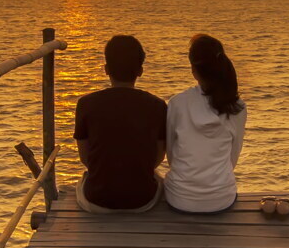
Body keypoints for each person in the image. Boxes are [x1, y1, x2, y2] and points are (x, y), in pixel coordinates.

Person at [73, 35, 168, 213]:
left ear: (106, 69)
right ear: (140, 70)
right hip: (142, 201)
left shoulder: (86, 104)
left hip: (97, 200)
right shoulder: (157, 106)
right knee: (160, 179)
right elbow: (158, 157)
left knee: (82, 180)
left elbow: (85, 158)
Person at [164, 34, 247, 213]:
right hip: (221, 198)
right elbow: (233, 157)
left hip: (180, 198)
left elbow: (171, 155)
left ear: (193, 70)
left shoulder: (177, 103)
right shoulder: (237, 107)